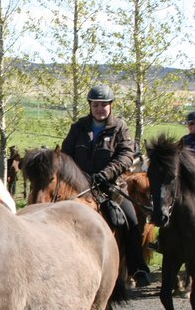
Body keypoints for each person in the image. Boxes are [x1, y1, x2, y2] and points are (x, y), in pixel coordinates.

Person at [61, 84, 151, 287]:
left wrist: (106, 174)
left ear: (110, 105)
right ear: (90, 106)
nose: (100, 109)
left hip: (111, 187)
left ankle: (137, 268)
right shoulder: (78, 127)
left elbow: (126, 155)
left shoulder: (120, 127)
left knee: (131, 222)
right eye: (96, 105)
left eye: (104, 105)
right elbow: (66, 154)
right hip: (80, 187)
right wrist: (77, 177)